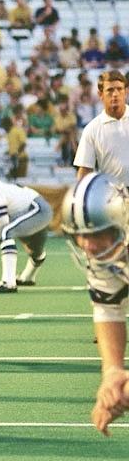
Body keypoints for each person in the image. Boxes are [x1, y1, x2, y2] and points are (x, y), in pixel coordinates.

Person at [60, 173, 129, 436]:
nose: (87, 246)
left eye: (97, 233)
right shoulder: (110, 252)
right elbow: (107, 308)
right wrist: (112, 372)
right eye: (81, 235)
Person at [74, 71, 129, 185]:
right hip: (112, 197)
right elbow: (85, 170)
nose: (115, 94)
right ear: (100, 95)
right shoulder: (92, 129)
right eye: (110, 90)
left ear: (126, 92)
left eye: (119, 89)